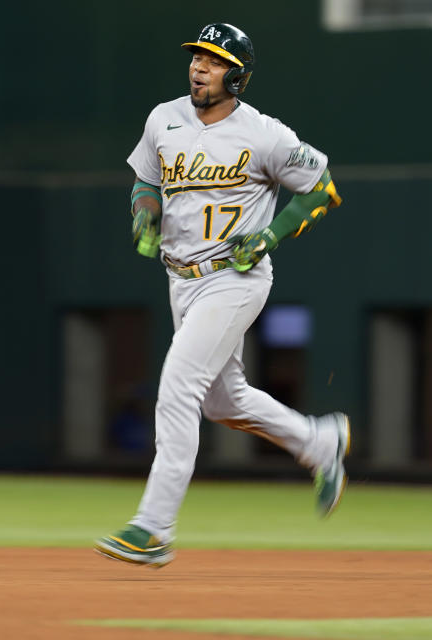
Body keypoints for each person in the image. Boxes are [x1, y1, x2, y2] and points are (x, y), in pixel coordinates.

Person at [94, 23, 350, 568]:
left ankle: (153, 527)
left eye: (212, 61)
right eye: (197, 58)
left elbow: (322, 186)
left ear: (238, 75)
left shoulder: (264, 134)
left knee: (179, 386)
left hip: (234, 279)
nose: (199, 68)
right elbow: (144, 180)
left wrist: (270, 235)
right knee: (222, 401)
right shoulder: (164, 118)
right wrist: (144, 211)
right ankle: (318, 442)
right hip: (179, 279)